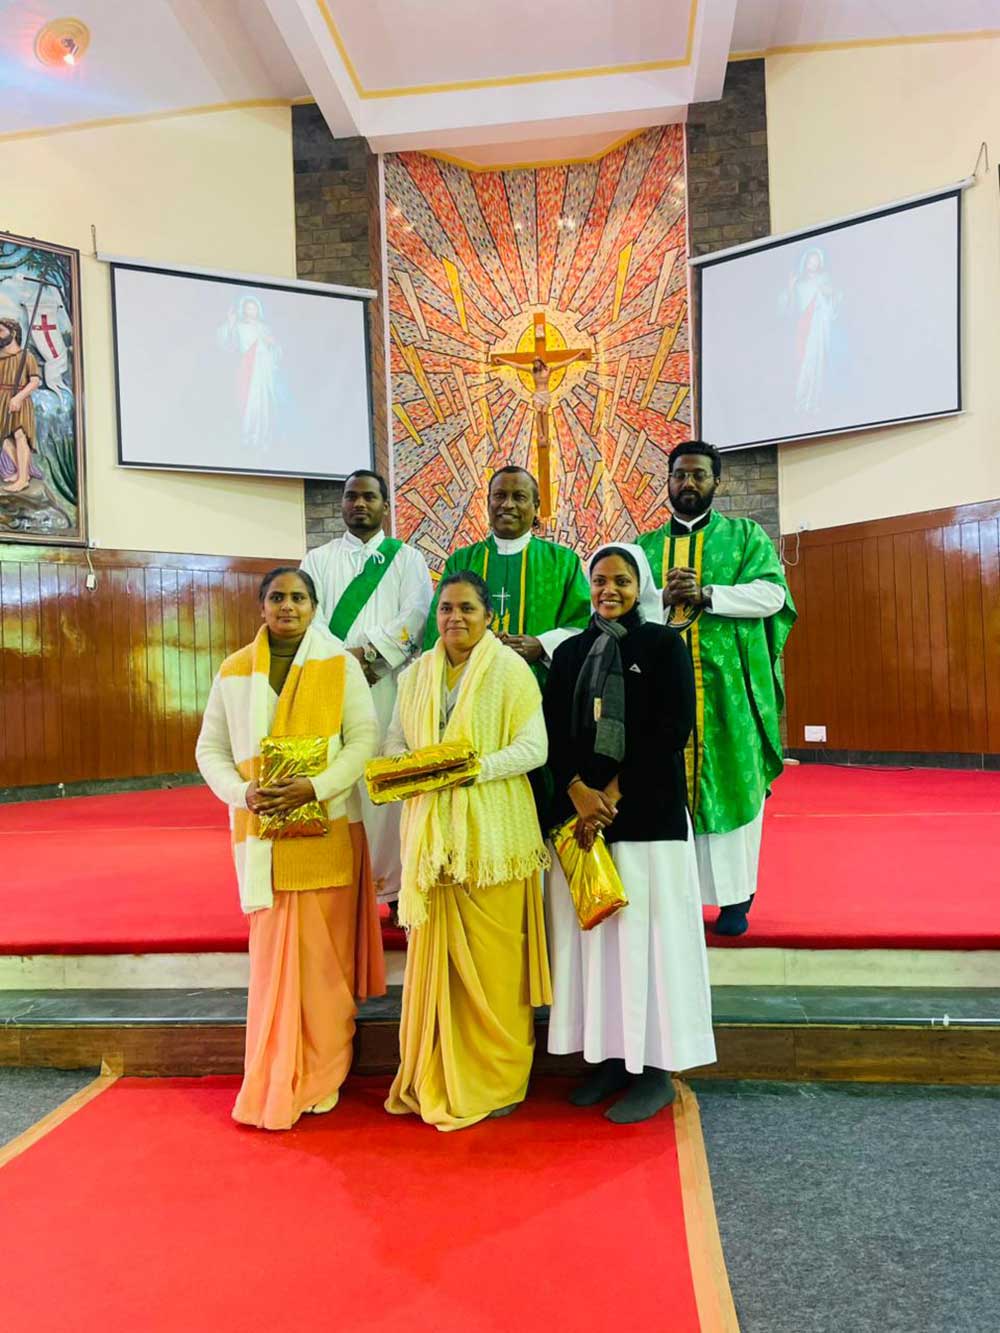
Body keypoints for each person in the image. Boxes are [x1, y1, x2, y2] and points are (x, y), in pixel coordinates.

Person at [196, 567, 384, 1130]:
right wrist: (242, 793)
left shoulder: (340, 665)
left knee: (325, 965)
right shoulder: (234, 671)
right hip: (262, 838)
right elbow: (209, 750)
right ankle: (277, 1075)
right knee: (274, 965)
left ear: (314, 606)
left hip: (328, 830)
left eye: (298, 598)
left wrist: (317, 787)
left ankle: (323, 1071)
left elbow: (364, 740)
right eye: (277, 597)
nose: (288, 606)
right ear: (261, 606)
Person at [543, 545, 716, 1123]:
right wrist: (576, 791)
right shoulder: (570, 652)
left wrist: (611, 795)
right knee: (600, 948)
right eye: (599, 580)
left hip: (646, 819)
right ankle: (613, 1059)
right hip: (584, 823)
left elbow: (672, 728)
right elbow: (553, 734)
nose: (608, 590)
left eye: (621, 580)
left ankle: (656, 1071)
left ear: (639, 586)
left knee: (650, 946)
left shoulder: (662, 645)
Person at [385, 570, 552, 1131]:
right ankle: (439, 1071)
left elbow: (534, 748)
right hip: (431, 840)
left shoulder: (511, 670)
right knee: (442, 971)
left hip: (493, 840)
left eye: (467, 609)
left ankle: (497, 1078)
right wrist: (410, 767)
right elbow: (395, 740)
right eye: (446, 609)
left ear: (489, 617)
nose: (455, 618)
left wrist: (470, 770)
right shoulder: (415, 675)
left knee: (495, 970)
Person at [637, 441, 796, 936]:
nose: (688, 483)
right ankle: (673, 898)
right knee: (660, 789)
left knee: (732, 785)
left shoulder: (745, 536)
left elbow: (773, 595)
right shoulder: (644, 548)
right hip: (660, 696)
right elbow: (622, 605)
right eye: (679, 475)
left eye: (699, 475)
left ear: (716, 482)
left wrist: (708, 594)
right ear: (668, 481)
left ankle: (733, 899)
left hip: (728, 694)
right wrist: (661, 597)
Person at [301, 469, 433, 909]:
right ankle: (345, 885)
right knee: (340, 779)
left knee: (386, 780)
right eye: (351, 496)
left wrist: (372, 655)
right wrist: (347, 662)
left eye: (369, 497)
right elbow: (309, 616)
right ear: (342, 504)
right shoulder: (317, 560)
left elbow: (417, 614)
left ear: (385, 506)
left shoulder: (408, 559)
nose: (359, 504)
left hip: (389, 686)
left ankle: (394, 889)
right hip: (335, 684)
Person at [423, 466, 590, 679]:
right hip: (470, 684)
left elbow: (582, 625)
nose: (507, 504)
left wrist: (542, 645)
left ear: (536, 505)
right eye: (500, 496)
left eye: (519, 497)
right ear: (488, 503)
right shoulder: (462, 561)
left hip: (540, 684)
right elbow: (439, 625)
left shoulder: (563, 562)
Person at [216, 295, 281, 452]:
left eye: (253, 308)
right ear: (243, 310)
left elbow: (275, 349)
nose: (251, 311)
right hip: (249, 368)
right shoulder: (239, 326)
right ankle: (249, 438)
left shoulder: (265, 328)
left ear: (258, 310)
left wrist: (272, 345)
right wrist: (231, 324)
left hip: (265, 368)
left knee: (265, 403)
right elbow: (229, 343)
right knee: (251, 402)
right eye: (248, 308)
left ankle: (264, 437)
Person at [0, 318, 43, 494]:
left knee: (19, 435)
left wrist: (18, 397)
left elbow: (35, 381)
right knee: (5, 439)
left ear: (13, 333)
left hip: (19, 400)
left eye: (1, 331)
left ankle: (23, 479)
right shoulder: (1, 358)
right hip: (2, 399)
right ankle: (20, 471)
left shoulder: (26, 356)